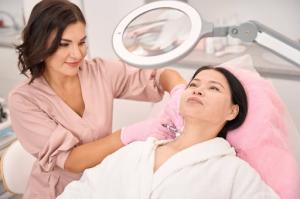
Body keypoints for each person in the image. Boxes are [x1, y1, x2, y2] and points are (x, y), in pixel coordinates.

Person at [8, 0, 185, 198]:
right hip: (56, 193)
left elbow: (155, 77)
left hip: (100, 184)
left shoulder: (98, 71)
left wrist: (179, 89)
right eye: (64, 44)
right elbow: (72, 161)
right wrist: (128, 135)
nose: (77, 54)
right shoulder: (24, 100)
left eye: (82, 42)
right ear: (40, 43)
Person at [57, 66, 279, 199]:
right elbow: (80, 193)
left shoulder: (233, 172)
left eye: (214, 88)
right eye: (194, 85)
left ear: (232, 110)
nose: (198, 90)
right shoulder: (135, 152)